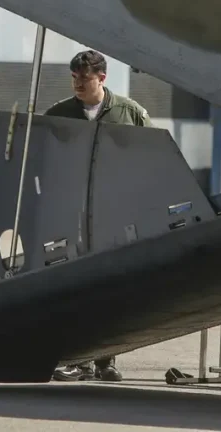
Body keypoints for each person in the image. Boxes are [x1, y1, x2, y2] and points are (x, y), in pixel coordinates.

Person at [46, 49, 151, 383]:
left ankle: (107, 360)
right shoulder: (59, 114)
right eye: (75, 77)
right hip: (73, 213)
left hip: (116, 211)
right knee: (76, 284)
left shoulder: (128, 112)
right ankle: (80, 359)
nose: (78, 83)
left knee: (112, 285)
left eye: (85, 77)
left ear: (102, 78)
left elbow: (150, 153)